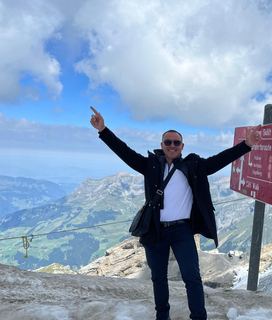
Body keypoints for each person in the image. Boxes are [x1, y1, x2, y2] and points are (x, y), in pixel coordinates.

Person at [89, 106, 262, 320]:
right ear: (161, 146)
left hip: (182, 230)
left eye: (176, 143)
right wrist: (103, 130)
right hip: (155, 230)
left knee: (192, 277)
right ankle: (162, 316)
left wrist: (246, 145)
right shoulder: (151, 165)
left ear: (182, 146)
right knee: (158, 278)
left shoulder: (193, 165)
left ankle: (198, 317)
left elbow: (219, 160)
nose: (172, 146)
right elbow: (125, 152)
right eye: (168, 142)